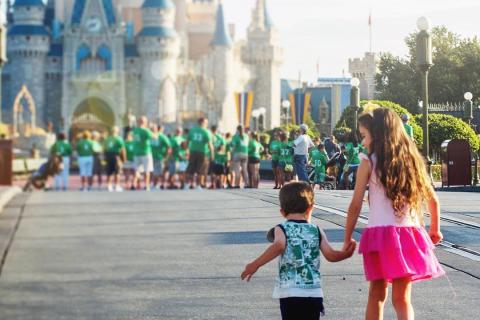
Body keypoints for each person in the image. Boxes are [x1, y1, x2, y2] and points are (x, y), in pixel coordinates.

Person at [343, 107, 444, 320]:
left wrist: (347, 238)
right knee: (402, 299)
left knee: (376, 295)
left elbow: (355, 205)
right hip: (409, 234)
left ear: (376, 133)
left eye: (364, 136)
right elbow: (433, 200)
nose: (362, 143)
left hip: (379, 236)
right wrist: (434, 230)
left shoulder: (368, 161)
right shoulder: (412, 160)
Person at [241, 182, 356, 320]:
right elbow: (331, 255)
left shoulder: (281, 228)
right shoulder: (317, 230)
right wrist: (345, 254)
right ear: (311, 207)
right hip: (313, 293)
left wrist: (255, 264)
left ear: (282, 212)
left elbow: (279, 245)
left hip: (290, 293)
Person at [186, 118, 214, 190]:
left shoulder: (192, 130)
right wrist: (212, 154)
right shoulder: (206, 132)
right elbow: (210, 145)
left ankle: (187, 184)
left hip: (193, 151)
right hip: (202, 152)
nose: (207, 124)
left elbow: (187, 142)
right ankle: (198, 185)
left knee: (190, 169)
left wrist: (187, 151)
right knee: (201, 170)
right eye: (206, 123)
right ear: (202, 123)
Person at [133, 116, 154, 191]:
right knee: (147, 170)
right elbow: (155, 137)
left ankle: (135, 184)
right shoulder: (145, 130)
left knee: (137, 170)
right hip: (145, 152)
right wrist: (154, 130)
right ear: (145, 122)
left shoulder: (135, 130)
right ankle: (147, 185)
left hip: (137, 153)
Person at [104, 126, 125, 192]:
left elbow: (105, 148)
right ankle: (117, 186)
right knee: (117, 171)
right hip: (116, 156)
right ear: (117, 131)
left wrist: (105, 157)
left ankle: (109, 186)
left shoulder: (107, 139)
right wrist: (124, 159)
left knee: (109, 171)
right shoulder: (119, 139)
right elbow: (123, 149)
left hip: (108, 155)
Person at [151, 125, 171, 190]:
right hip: (150, 156)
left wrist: (166, 156)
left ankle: (156, 185)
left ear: (157, 129)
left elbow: (169, 146)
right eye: (151, 129)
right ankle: (153, 184)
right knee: (152, 172)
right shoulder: (149, 136)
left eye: (154, 128)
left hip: (159, 157)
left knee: (157, 172)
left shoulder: (162, 137)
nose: (152, 130)